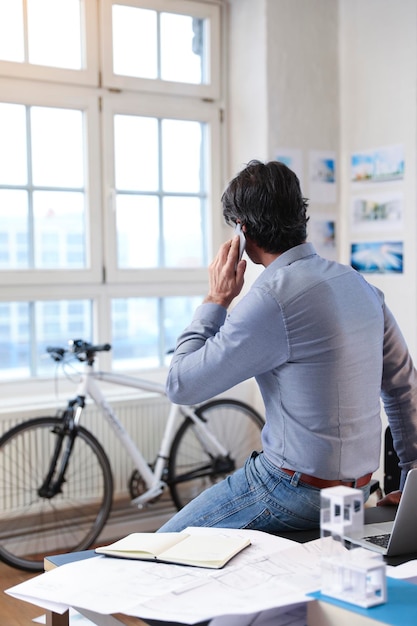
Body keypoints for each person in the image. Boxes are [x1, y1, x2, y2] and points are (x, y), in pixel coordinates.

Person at [159, 159, 417, 533]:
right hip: (357, 491)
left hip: (290, 492)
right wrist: (411, 482)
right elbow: (402, 385)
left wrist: (215, 299)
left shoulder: (270, 301)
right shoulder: (359, 285)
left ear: (242, 231)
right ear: (300, 217)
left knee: (162, 547)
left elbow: (181, 385)